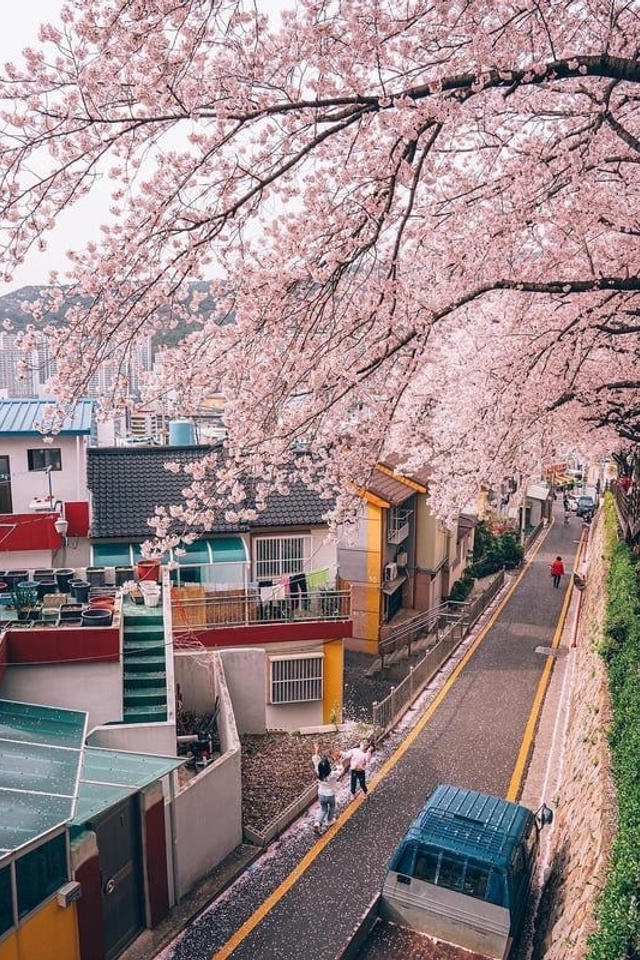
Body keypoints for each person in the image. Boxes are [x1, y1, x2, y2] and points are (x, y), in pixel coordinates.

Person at [311, 742, 341, 833]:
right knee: (331, 807)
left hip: (321, 793)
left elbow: (316, 760)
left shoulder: (318, 771)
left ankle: (317, 823)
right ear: (328, 767)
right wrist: (337, 760)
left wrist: (316, 750)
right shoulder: (332, 774)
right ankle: (329, 820)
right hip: (330, 795)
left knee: (323, 808)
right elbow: (340, 770)